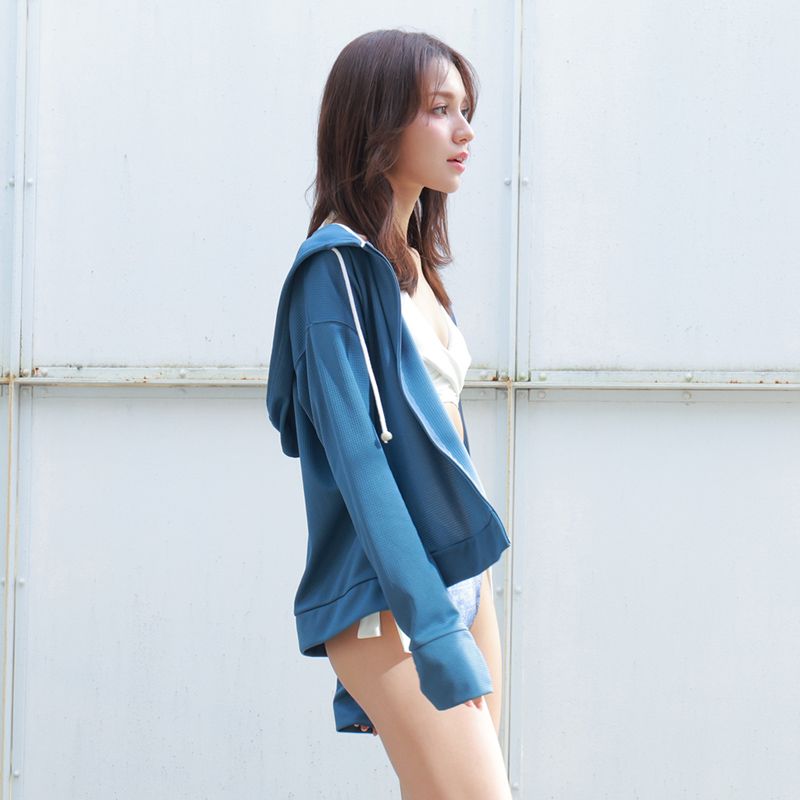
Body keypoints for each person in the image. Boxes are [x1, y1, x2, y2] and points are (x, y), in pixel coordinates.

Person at [266, 28, 512, 799]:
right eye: (440, 109)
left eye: (466, 110)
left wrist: (470, 596)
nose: (464, 131)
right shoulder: (333, 273)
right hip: (393, 599)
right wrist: (432, 625)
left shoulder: (415, 272)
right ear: (376, 123)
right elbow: (361, 462)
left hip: (462, 583)